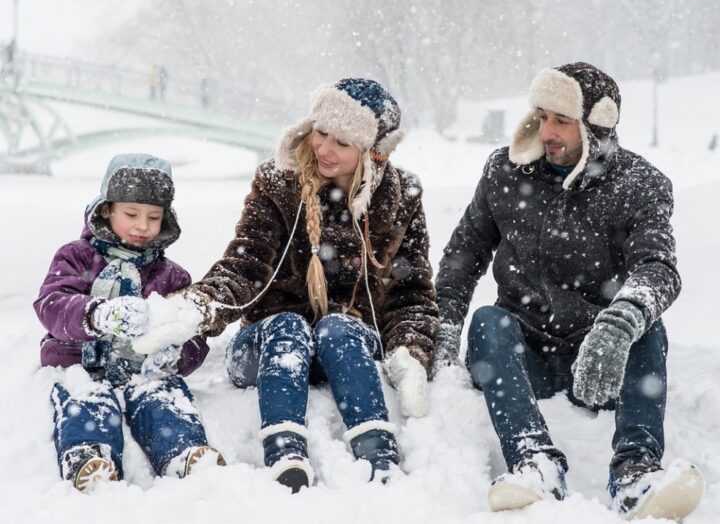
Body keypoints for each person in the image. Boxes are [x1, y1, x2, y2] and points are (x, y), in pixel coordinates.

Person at [432, 62, 703, 520]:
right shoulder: (504, 172)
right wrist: (442, 329)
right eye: (541, 116)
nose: (547, 130)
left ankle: (636, 474)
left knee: (646, 325)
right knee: (487, 322)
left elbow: (658, 267)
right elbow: (463, 257)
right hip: (523, 356)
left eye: (561, 120)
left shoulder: (640, 185)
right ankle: (534, 462)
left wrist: (618, 325)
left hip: (601, 362)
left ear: (595, 126)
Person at [168, 78, 438, 492]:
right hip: (268, 347)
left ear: (373, 153)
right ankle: (285, 450)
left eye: (342, 143)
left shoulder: (403, 196)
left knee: (340, 327)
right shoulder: (278, 183)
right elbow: (245, 264)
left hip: (344, 351)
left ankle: (378, 452)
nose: (324, 149)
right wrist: (199, 306)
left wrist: (410, 351)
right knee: (288, 328)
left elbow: (412, 290)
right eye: (321, 132)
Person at [34, 153, 225, 492]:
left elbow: (192, 334)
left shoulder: (172, 276)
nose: (142, 226)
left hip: (143, 370)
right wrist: (96, 314)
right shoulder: (76, 257)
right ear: (106, 209)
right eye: (132, 214)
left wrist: (177, 354)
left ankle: (183, 451)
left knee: (163, 397)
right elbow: (52, 303)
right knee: (87, 399)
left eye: (153, 217)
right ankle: (89, 455)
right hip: (80, 362)